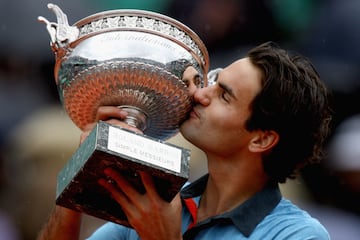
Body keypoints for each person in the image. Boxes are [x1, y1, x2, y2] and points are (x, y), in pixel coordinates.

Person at [37, 41, 332, 240]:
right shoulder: (158, 201)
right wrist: (84, 167)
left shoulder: (297, 234)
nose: (200, 95)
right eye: (214, 81)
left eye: (224, 96)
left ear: (262, 139)